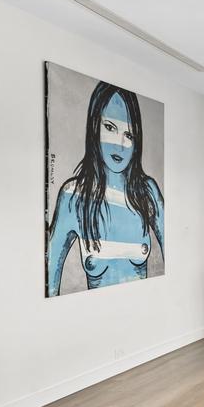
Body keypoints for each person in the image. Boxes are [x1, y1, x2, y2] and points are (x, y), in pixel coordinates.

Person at [46, 82, 164, 296]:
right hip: (95, 316)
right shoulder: (74, 196)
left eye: (129, 135)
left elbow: (178, 260)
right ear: (94, 128)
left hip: (144, 311)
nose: (120, 145)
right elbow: (49, 281)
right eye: (110, 128)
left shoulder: (147, 193)